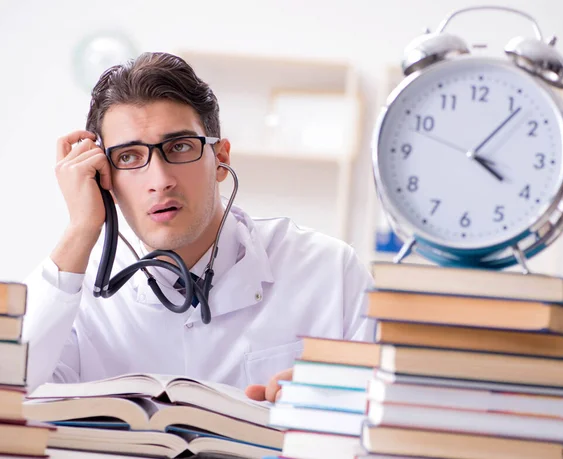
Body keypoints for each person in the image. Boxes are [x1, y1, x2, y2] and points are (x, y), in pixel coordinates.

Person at [22, 51, 374, 402]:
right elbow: (13, 394)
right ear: (105, 179)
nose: (159, 181)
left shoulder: (332, 273)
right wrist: (81, 228)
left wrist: (329, 409)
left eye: (179, 147)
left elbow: (385, 421)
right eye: (128, 157)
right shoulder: (74, 290)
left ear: (220, 159)